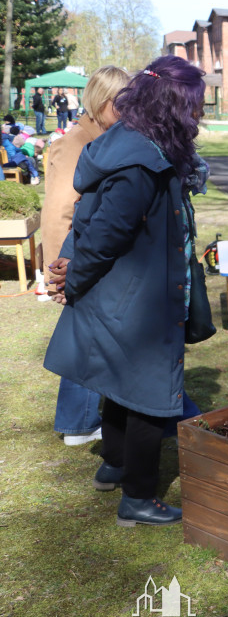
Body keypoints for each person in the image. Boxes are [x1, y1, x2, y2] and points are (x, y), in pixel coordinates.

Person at [43, 56, 208, 528]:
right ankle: (138, 496)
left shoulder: (133, 143)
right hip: (136, 299)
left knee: (120, 384)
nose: (197, 116)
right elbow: (104, 234)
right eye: (193, 107)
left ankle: (114, 464)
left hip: (129, 292)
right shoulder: (139, 161)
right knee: (150, 398)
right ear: (172, 105)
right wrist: (71, 280)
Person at [39, 65, 130, 445]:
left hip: (89, 256)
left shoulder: (102, 138)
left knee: (90, 336)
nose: (129, 111)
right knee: (87, 338)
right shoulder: (78, 143)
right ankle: (77, 421)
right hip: (77, 258)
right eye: (122, 103)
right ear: (102, 101)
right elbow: (59, 211)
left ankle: (79, 419)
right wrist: (60, 272)